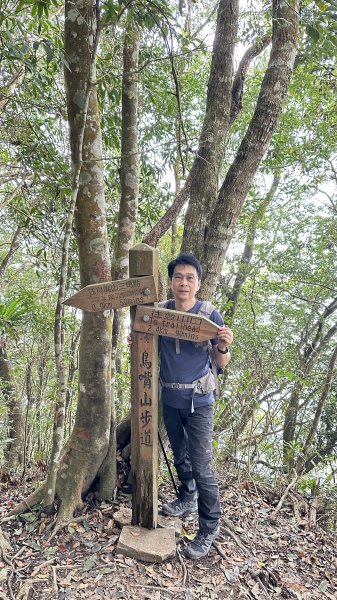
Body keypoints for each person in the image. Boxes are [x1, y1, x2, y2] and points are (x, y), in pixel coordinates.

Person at [160, 253, 233, 560]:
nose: (184, 283)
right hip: (169, 398)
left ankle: (209, 526)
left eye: (190, 278)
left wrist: (224, 345)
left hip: (200, 400)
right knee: (180, 454)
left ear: (199, 283)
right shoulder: (160, 312)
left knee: (202, 465)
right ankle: (187, 497)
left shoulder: (210, 315)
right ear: (171, 281)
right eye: (179, 277)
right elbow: (147, 346)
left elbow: (221, 362)